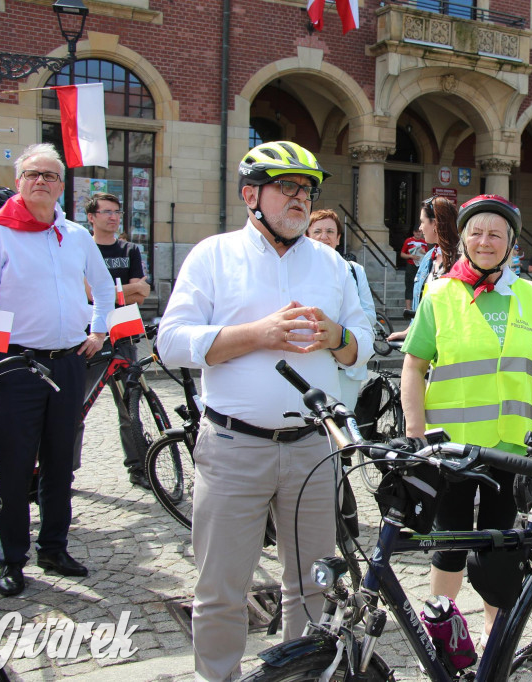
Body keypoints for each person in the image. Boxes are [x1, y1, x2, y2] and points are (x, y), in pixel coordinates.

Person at [157, 141, 373, 681]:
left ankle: (300, 675)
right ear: (251, 195)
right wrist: (257, 334)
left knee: (313, 586)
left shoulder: (331, 263)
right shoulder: (213, 255)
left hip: (312, 449)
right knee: (220, 589)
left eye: (307, 190)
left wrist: (337, 336)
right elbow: (171, 342)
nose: (300, 198)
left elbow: (363, 346)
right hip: (234, 446)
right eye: (286, 187)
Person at [400, 194, 532, 647]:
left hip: (510, 448)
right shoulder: (440, 293)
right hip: (452, 448)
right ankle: (442, 632)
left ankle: (495, 634)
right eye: (476, 233)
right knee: (448, 545)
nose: (485, 242)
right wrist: (414, 432)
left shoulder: (528, 294)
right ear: (463, 238)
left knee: (500, 546)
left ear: (511, 244)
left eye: (496, 234)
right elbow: (414, 365)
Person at [0, 144, 116, 597]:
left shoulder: (74, 234)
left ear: (61, 186)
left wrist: (98, 330)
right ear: (18, 181)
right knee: (15, 467)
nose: (41, 181)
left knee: (60, 463)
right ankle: (12, 559)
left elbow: (103, 286)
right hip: (17, 365)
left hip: (69, 361)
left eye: (50, 175)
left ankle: (53, 548)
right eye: (33, 174)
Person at [82, 192, 152, 486]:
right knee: (76, 406)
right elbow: (87, 294)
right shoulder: (82, 248)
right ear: (91, 217)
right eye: (107, 212)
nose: (113, 217)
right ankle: (61, 472)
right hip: (90, 335)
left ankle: (138, 468)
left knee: (130, 406)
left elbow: (143, 294)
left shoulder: (130, 250)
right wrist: (125, 291)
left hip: (124, 333)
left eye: (117, 212)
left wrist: (105, 292)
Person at [307, 208, 377, 410]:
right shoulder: (300, 271)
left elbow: (369, 315)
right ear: (307, 236)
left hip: (347, 369)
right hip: (313, 362)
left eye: (330, 231)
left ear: (338, 238)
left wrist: (337, 330)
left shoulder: (354, 270)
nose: (324, 237)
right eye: (317, 231)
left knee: (343, 420)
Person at [386, 196, 459, 342]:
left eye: (422, 222)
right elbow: (422, 306)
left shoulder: (463, 260)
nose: (420, 228)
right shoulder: (428, 258)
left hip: (452, 342)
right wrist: (410, 330)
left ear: (435, 224)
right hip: (426, 342)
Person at [401, 225, 428, 311]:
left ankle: (418, 308)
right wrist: (410, 256)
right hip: (411, 265)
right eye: (416, 232)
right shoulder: (408, 241)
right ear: (413, 232)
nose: (418, 233)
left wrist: (424, 252)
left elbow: (428, 255)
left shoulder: (424, 242)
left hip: (420, 266)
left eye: (419, 232)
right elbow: (402, 254)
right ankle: (408, 308)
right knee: (409, 286)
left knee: (420, 286)